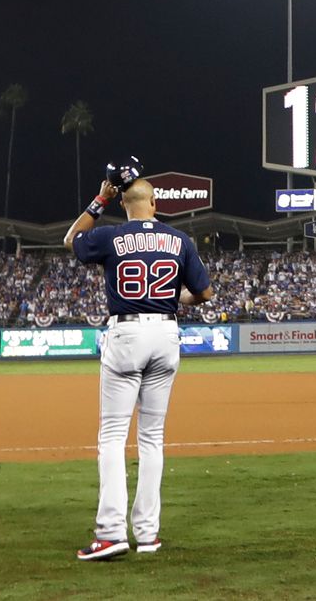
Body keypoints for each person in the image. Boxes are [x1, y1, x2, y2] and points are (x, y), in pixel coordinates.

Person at [64, 157, 213, 561]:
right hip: (166, 333)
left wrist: (99, 199)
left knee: (112, 437)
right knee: (153, 439)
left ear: (124, 204)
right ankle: (147, 534)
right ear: (155, 203)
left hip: (126, 331)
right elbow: (204, 294)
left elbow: (71, 241)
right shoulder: (179, 239)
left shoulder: (111, 235)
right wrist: (174, 298)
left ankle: (111, 532)